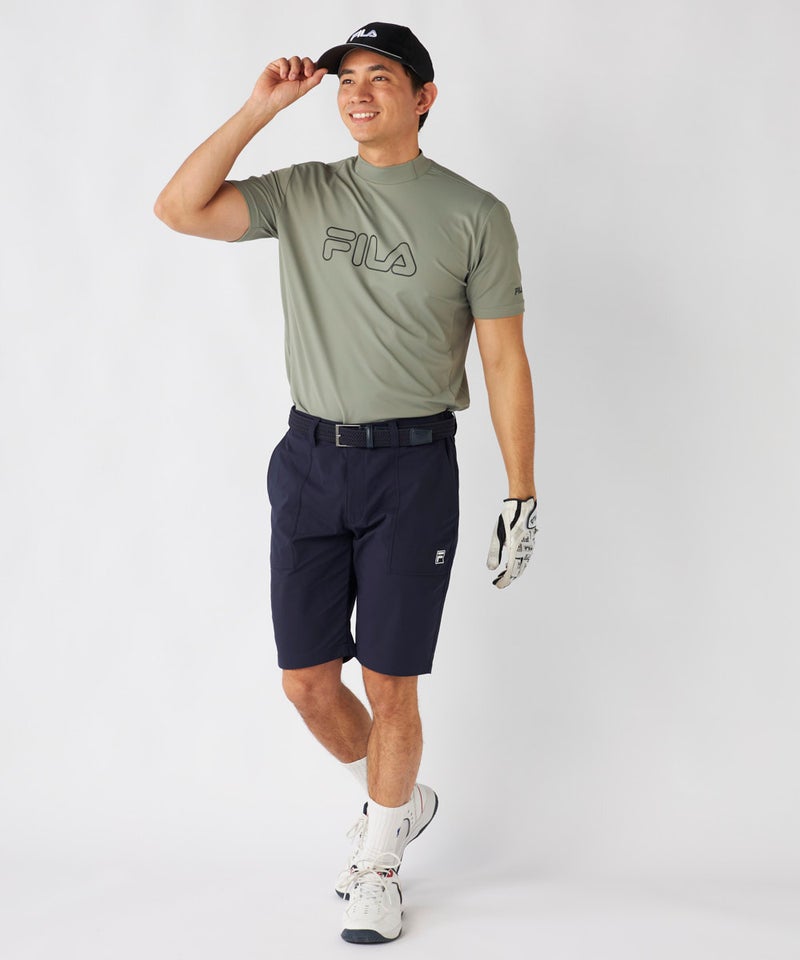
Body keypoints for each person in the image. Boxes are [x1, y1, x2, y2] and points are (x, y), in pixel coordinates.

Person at [154, 21, 537, 945]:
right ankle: (400, 803)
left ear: (424, 98)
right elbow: (178, 208)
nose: (358, 92)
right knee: (307, 684)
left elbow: (503, 359)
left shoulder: (474, 213)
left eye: (381, 77)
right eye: (345, 79)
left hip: (412, 467)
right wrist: (261, 107)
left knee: (391, 682)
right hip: (309, 460)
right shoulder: (304, 191)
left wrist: (521, 491)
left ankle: (377, 864)